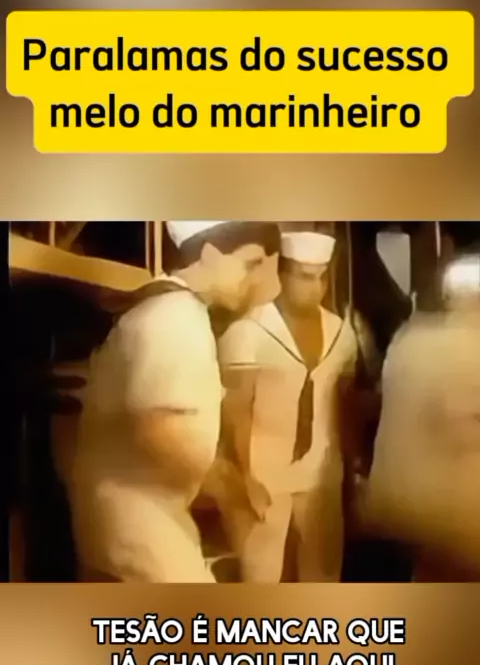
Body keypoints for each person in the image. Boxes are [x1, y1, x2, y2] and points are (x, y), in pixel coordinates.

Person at [69, 220, 279, 582]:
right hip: (141, 527)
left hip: (124, 526)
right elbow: (159, 428)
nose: (256, 280)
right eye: (251, 263)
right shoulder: (176, 317)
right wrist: (231, 495)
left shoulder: (167, 309)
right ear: (210, 254)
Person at [217, 230, 359, 583]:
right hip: (263, 474)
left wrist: (350, 470)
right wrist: (245, 477)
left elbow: (344, 404)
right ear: (283, 274)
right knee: (261, 576)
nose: (316, 287)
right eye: (305, 277)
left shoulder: (341, 332)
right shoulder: (248, 331)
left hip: (321, 476)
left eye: (322, 278)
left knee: (323, 577)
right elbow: (235, 411)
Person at [365, 246, 480, 580]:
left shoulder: (409, 336)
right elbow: (462, 426)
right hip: (452, 509)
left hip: (399, 504)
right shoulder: (469, 346)